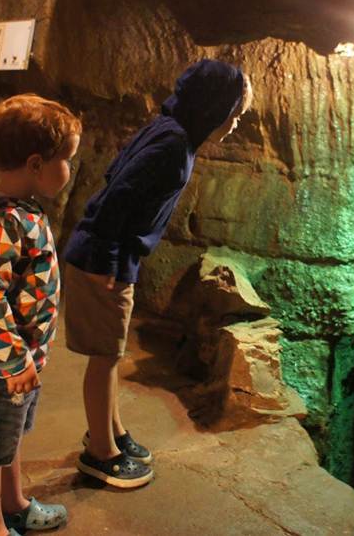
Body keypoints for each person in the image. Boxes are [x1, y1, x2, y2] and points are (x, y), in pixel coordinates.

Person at [62, 59, 253, 488]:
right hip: (101, 262)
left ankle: (111, 432)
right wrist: (108, 262)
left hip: (108, 257)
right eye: (234, 113)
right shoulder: (173, 144)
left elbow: (116, 175)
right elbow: (116, 196)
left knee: (109, 354)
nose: (236, 123)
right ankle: (100, 455)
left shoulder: (169, 131)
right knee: (103, 358)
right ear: (212, 108)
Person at [0, 94, 82, 536]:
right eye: (67, 159)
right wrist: (14, 360)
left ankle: (15, 506)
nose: (70, 169)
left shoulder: (21, 212)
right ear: (37, 163)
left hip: (18, 362)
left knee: (9, 439)